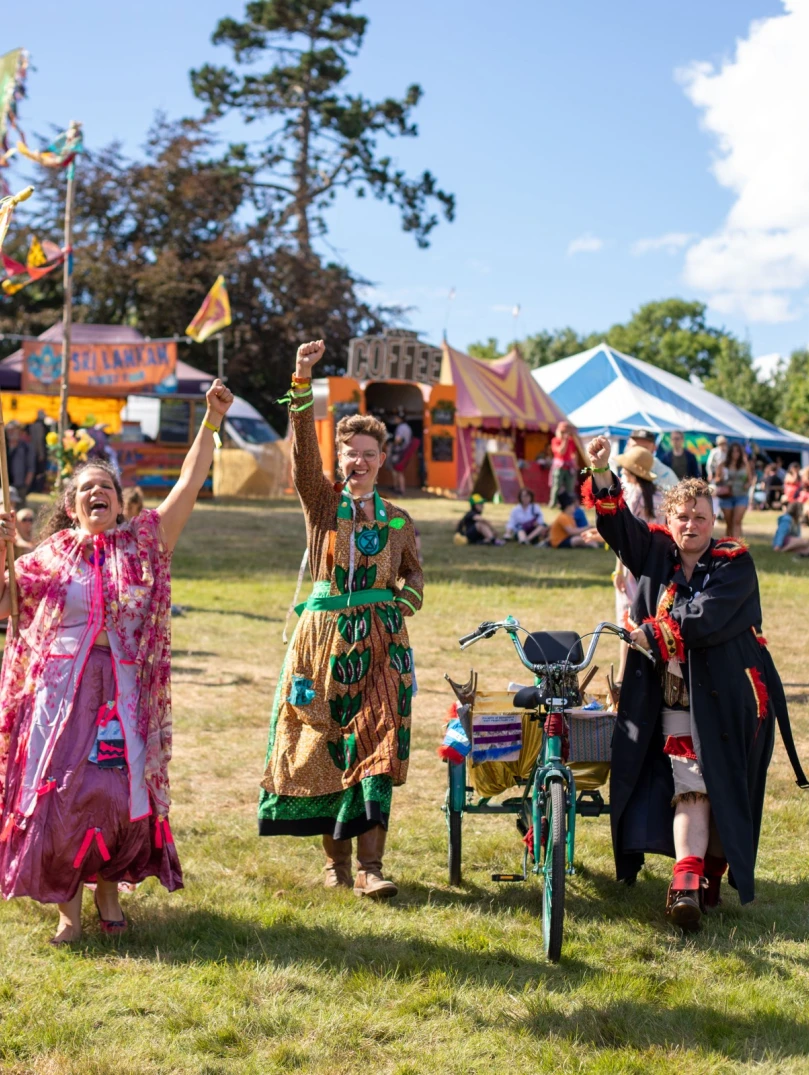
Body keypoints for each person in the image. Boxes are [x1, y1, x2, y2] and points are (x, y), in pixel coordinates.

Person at [0, 378, 234, 944]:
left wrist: (211, 422)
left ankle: (109, 897)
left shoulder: (144, 543)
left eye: (106, 486)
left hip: (123, 694)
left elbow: (189, 483)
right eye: (87, 488)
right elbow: (8, 606)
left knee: (113, 796)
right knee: (62, 794)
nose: (97, 493)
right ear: (71, 504)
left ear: (118, 499)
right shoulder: (48, 557)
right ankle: (69, 914)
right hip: (60, 695)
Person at [585, 434, 801, 930]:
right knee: (692, 786)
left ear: (714, 521)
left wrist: (648, 631)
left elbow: (701, 620)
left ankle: (706, 875)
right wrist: (600, 473)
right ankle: (686, 881)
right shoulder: (658, 552)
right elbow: (621, 528)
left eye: (700, 517)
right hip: (674, 697)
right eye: (682, 516)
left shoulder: (735, 563)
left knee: (727, 788)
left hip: (732, 700)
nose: (691, 525)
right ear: (670, 519)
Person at [258, 341, 423, 898]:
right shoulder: (323, 505)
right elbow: (305, 456)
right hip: (322, 642)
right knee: (326, 745)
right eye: (349, 452)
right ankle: (337, 865)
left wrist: (400, 604)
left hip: (382, 644)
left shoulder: (399, 521)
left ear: (382, 459)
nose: (358, 460)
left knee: (379, 742)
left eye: (368, 452)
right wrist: (301, 384)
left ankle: (373, 867)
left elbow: (415, 578)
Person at [610, 446, 663, 684]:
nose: (621, 470)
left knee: (627, 620)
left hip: (631, 565)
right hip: (653, 563)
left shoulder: (632, 495)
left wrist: (618, 570)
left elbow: (625, 536)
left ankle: (623, 677)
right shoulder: (659, 495)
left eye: (625, 466)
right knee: (647, 616)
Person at [714, 442, 754, 538]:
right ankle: (729, 543)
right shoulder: (723, 465)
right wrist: (721, 478)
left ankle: (736, 546)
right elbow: (716, 480)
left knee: (737, 521)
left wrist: (747, 485)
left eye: (737, 451)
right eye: (733, 451)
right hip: (727, 496)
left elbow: (750, 479)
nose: (735, 454)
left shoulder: (745, 464)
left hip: (741, 495)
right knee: (729, 522)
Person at [549, 421, 578, 507]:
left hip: (569, 467)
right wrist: (565, 440)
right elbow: (561, 451)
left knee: (570, 487)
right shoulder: (555, 440)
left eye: (566, 432)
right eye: (562, 432)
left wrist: (574, 464)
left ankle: (568, 504)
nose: (564, 434)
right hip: (559, 466)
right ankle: (553, 503)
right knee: (556, 485)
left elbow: (574, 453)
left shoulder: (571, 441)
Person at [5, 422, 34, 506]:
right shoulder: (4, 446)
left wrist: (26, 485)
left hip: (20, 484)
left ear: (19, 432)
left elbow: (31, 468)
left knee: (20, 507)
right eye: (9, 431)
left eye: (13, 430)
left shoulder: (26, 447)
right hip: (5, 484)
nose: (11, 433)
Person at [387, 409, 414, 496]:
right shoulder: (407, 427)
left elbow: (398, 440)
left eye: (396, 418)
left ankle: (399, 489)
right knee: (399, 470)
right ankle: (398, 488)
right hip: (404, 451)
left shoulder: (401, 427)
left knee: (397, 470)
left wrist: (391, 442)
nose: (395, 419)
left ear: (400, 418)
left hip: (399, 452)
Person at [28, 410, 48, 493]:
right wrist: (41, 454)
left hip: (33, 452)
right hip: (37, 453)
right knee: (39, 472)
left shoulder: (33, 425)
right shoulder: (39, 426)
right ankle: (37, 488)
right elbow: (39, 441)